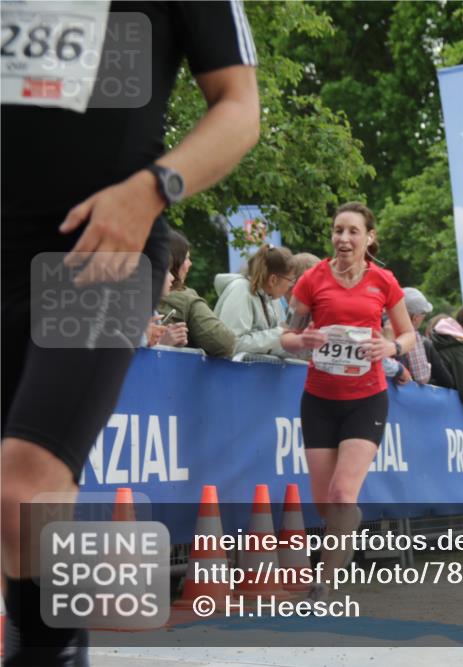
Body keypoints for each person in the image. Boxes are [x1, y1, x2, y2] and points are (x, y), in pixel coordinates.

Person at [1, 3, 259, 663]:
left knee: (23, 484)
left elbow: (238, 107)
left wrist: (151, 190)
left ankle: (48, 649)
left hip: (100, 251)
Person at [280, 202, 415, 600]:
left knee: (342, 494)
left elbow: (409, 335)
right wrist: (301, 341)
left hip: (367, 399)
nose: (344, 238)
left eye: (353, 231)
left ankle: (323, 582)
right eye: (338, 230)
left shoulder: (384, 281)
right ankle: (348, 521)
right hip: (319, 399)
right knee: (326, 504)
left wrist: (389, 346)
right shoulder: (312, 279)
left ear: (369, 237)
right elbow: (286, 335)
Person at [158, 229, 236, 357]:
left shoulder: (133, 297)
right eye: (187, 258)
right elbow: (223, 342)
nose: (190, 264)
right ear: (175, 262)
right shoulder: (185, 298)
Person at [214, 244, 296, 357]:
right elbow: (232, 344)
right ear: (273, 280)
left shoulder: (272, 299)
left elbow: (271, 346)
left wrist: (298, 344)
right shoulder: (240, 291)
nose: (291, 285)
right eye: (290, 280)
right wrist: (280, 334)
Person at [398, 287, 455, 389]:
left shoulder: (384, 338)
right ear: (416, 317)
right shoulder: (425, 345)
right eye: (424, 314)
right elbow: (447, 382)